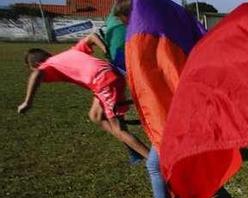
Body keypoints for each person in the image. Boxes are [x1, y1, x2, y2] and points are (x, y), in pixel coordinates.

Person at [110, 0, 241, 198]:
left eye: (127, 22)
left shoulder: (159, 42)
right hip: (178, 113)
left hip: (179, 115)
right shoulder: (164, 36)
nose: (128, 29)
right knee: (188, 164)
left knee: (157, 164)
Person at [17, 35, 149, 160]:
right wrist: (105, 50)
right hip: (107, 78)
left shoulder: (47, 65)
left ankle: (157, 162)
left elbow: (37, 74)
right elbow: (92, 36)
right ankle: (131, 146)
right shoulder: (71, 52)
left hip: (103, 82)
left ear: (36, 64)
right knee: (95, 116)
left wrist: (27, 102)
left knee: (119, 129)